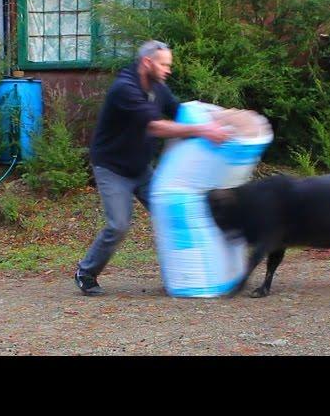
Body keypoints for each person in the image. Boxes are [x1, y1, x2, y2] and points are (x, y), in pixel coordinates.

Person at [75, 40, 230, 296]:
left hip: (141, 168)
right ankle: (86, 272)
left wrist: (219, 121)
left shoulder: (158, 88)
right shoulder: (124, 90)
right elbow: (155, 126)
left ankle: (185, 274)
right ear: (147, 63)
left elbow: (180, 112)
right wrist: (202, 131)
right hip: (112, 169)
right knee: (118, 225)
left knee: (173, 211)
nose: (168, 69)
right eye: (164, 64)